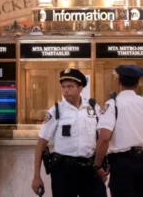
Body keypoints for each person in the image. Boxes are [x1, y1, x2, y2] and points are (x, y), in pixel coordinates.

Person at [94, 65, 143, 197]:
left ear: (119, 82)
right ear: (138, 84)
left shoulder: (113, 105)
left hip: (121, 165)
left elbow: (104, 138)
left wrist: (98, 165)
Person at [32, 69, 106, 197]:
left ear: (80, 88)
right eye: (63, 87)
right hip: (64, 171)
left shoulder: (93, 109)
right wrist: (36, 176)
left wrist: (102, 164)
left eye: (70, 87)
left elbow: (102, 138)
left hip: (89, 169)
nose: (66, 91)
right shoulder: (56, 111)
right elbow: (41, 143)